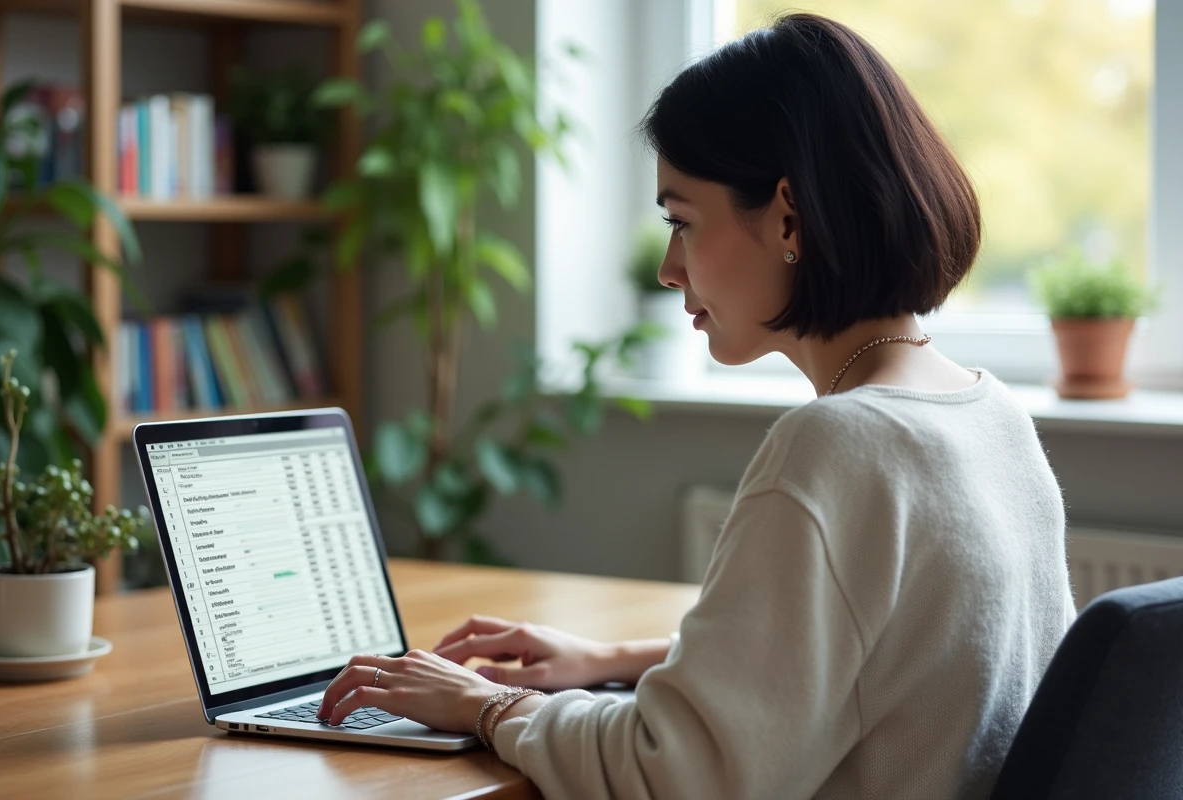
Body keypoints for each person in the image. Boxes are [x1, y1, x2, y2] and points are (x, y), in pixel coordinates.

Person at [317, 12, 1075, 798]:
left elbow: (675, 775)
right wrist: (616, 659)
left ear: (788, 217)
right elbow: (880, 660)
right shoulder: (989, 415)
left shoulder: (838, 446)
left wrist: (490, 705)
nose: (670, 269)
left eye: (682, 221)